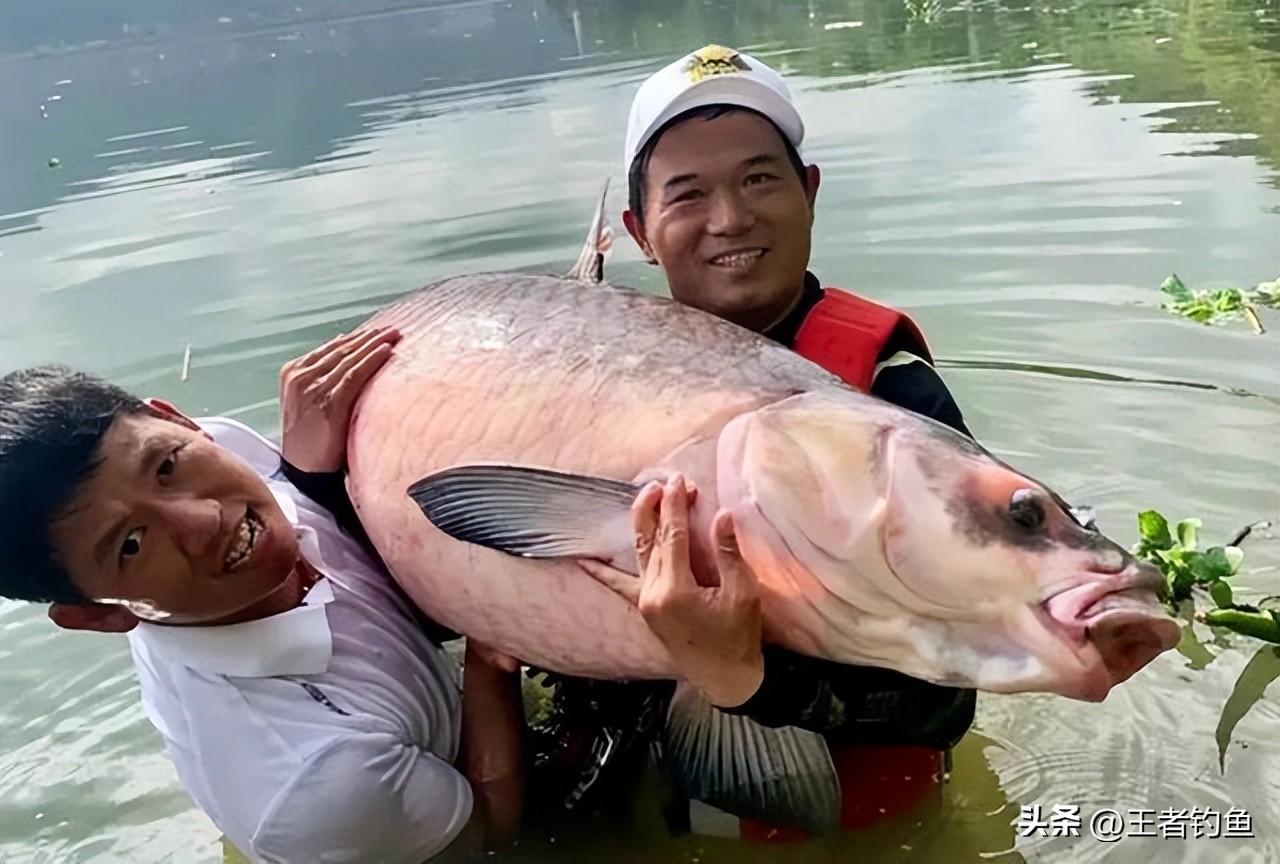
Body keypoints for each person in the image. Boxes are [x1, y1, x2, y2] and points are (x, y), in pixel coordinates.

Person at [574, 44, 978, 837]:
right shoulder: (593, 383)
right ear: (640, 233)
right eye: (688, 194)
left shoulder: (889, 402)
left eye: (759, 179)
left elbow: (951, 695)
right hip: (642, 800)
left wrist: (753, 678)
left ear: (810, 192)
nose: (730, 218)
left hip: (852, 832)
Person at [0, 331, 526, 863]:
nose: (205, 520)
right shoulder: (318, 783)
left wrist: (309, 480)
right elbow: (487, 830)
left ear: (179, 420)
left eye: (166, 468)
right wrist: (492, 642)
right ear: (96, 615)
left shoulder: (234, 448)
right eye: (132, 545)